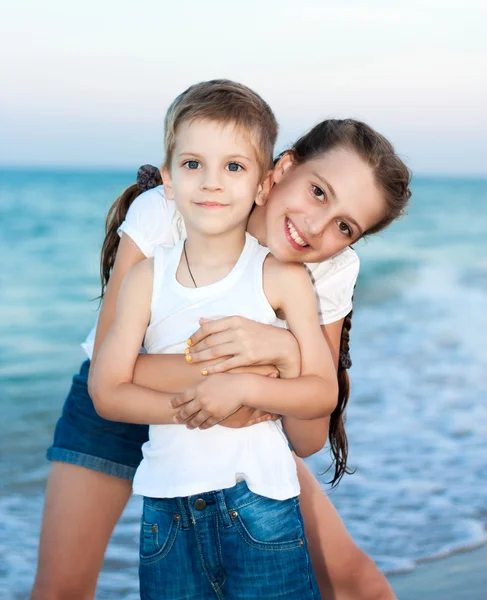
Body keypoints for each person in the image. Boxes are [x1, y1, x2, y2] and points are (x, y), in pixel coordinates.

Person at [31, 80, 411, 600]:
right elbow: (110, 368)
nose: (316, 225)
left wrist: (277, 352)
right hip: (119, 404)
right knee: (60, 590)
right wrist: (255, 375)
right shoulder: (168, 211)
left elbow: (306, 437)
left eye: (345, 226)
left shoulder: (328, 271)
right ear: (281, 170)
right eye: (317, 190)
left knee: (354, 580)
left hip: (240, 426)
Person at [91, 81, 344, 598]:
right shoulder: (146, 279)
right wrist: (205, 405)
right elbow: (106, 390)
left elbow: (321, 392)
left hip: (262, 507)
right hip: (166, 509)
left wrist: (243, 391)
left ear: (261, 186)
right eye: (192, 165)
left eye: (233, 166)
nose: (211, 182)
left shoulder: (281, 279)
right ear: (167, 179)